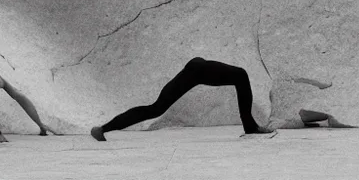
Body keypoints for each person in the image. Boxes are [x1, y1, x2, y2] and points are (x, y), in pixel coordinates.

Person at [91, 57, 273, 141]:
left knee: (155, 108)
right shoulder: (195, 72)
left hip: (196, 69)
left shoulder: (192, 73)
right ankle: (249, 126)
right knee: (241, 75)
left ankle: (104, 128)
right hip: (197, 69)